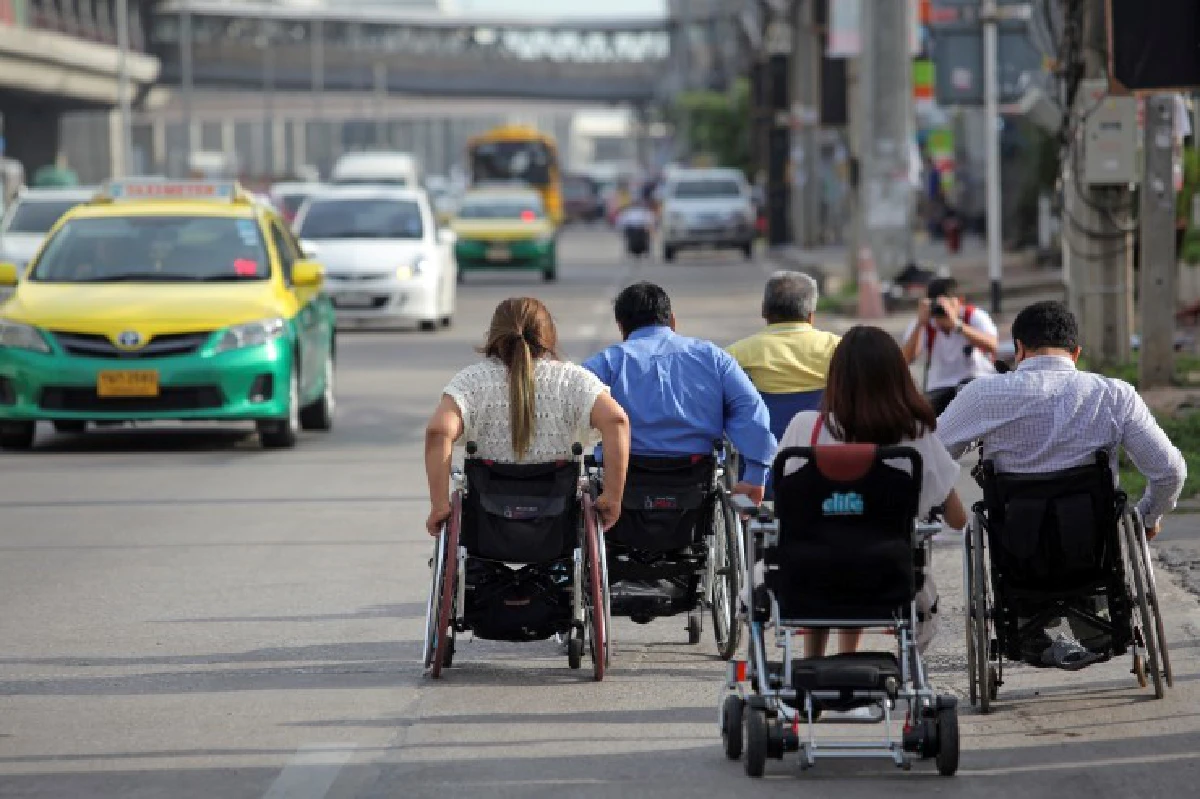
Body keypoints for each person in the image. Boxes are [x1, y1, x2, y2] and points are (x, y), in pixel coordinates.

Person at [938, 300, 1186, 668]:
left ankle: (1029, 630)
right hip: (1092, 549)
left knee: (1018, 540)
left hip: (1018, 550)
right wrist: (1148, 517)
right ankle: (1097, 627)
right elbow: (1170, 472)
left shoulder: (981, 396)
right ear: (1077, 352)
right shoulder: (1114, 395)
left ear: (1018, 348)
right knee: (1097, 538)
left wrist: (947, 509)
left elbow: (931, 457)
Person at [777, 325, 968, 662]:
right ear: (897, 376)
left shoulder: (805, 427)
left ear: (837, 377)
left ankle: (813, 663)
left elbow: (788, 504)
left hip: (809, 576)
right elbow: (957, 518)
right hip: (887, 577)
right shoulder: (916, 437)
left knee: (828, 539)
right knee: (865, 541)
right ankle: (849, 658)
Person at [424, 297, 631, 537]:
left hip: (488, 524)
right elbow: (616, 421)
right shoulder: (573, 380)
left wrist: (440, 505)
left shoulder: (471, 381)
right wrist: (612, 497)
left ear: (494, 334)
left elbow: (438, 431)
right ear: (548, 334)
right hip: (555, 525)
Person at [583, 281, 776, 506]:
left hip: (627, 481)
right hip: (695, 477)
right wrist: (755, 475)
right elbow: (750, 409)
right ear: (672, 320)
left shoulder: (605, 364)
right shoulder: (713, 358)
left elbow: (568, 408)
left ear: (621, 326)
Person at [728, 271, 840, 445]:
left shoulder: (734, 354)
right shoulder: (839, 348)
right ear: (811, 314)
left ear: (764, 311)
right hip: (826, 454)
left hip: (765, 457)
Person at [901, 277, 998, 415]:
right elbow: (905, 360)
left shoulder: (973, 316)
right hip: (939, 389)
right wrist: (920, 324)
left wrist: (957, 325)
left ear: (960, 301)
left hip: (977, 381)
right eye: (937, 305)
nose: (941, 310)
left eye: (946, 304)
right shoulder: (925, 323)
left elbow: (992, 345)